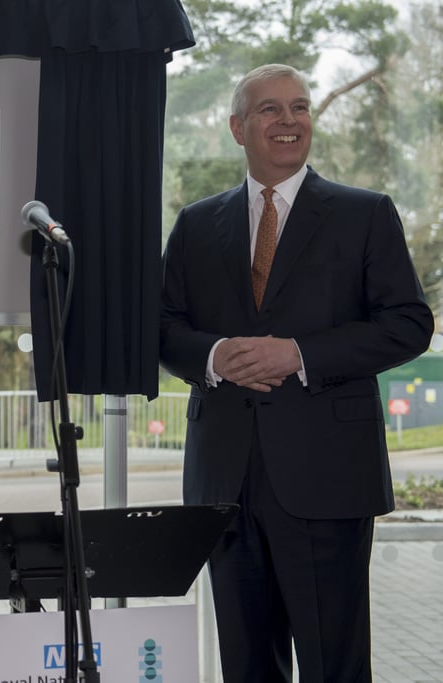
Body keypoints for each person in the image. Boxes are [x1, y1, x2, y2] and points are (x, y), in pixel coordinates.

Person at [159, 64, 434, 681]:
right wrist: (214, 354)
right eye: (270, 110)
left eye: (300, 108)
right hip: (224, 482)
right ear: (237, 128)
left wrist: (300, 354)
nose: (289, 121)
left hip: (328, 475)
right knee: (247, 664)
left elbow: (409, 323)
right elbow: (164, 328)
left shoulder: (365, 214)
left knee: (332, 663)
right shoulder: (197, 224)